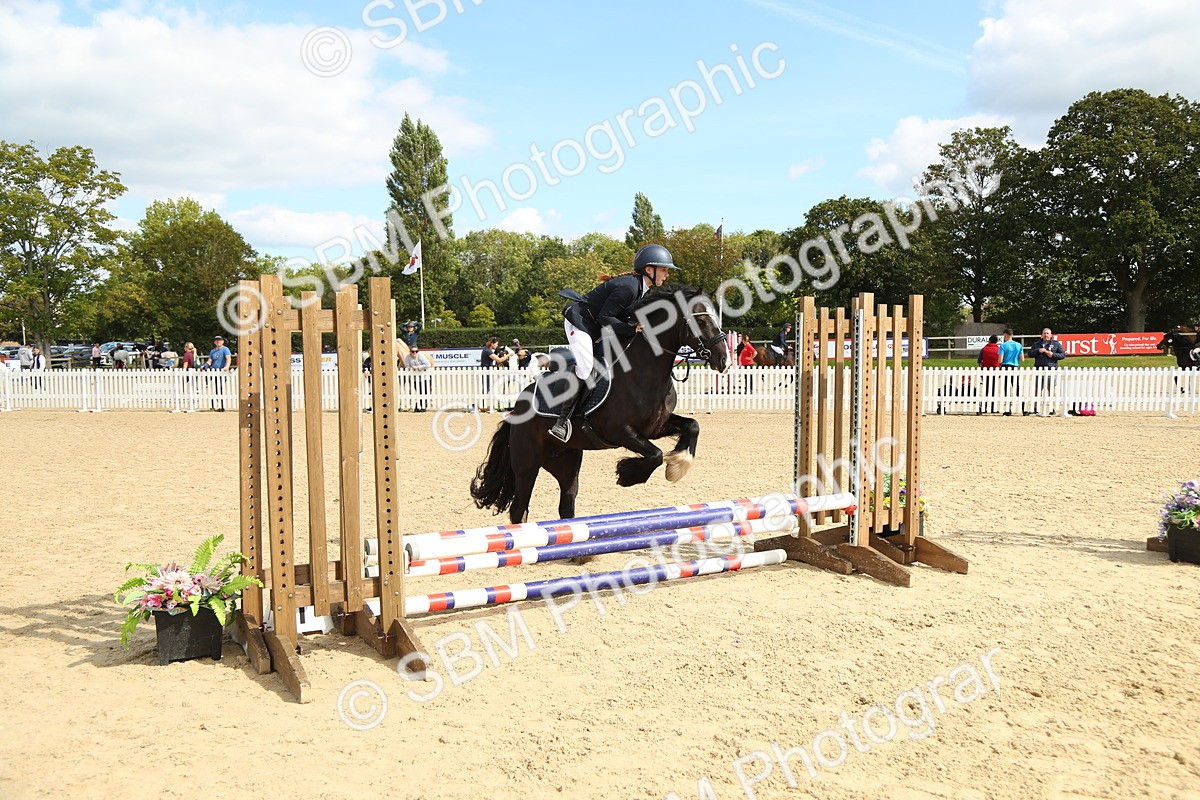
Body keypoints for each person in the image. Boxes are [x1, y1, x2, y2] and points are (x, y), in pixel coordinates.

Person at [553, 243, 679, 441]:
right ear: (649, 269)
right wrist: (632, 329)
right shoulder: (628, 287)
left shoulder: (642, 289)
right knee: (586, 369)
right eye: (664, 269)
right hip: (580, 323)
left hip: (598, 326)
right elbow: (605, 317)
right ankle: (562, 421)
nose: (667, 274)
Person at [1027, 327, 1065, 416]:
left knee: (1051, 389)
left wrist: (1053, 355)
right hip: (1038, 369)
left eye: (1047, 333)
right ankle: (1036, 408)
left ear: (1051, 335)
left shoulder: (1056, 344)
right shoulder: (1036, 344)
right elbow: (1030, 354)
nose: (1046, 335)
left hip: (1051, 369)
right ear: (1042, 335)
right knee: (1037, 389)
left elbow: (1063, 355)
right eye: (1044, 333)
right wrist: (1038, 351)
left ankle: (1052, 408)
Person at [478, 336, 510, 413]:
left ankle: (483, 405)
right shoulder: (487, 351)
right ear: (492, 343)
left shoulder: (487, 350)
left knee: (487, 387)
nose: (497, 345)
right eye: (496, 344)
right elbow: (499, 360)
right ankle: (482, 406)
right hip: (485, 370)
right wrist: (508, 355)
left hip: (487, 370)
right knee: (486, 388)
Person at [997, 328, 1023, 415]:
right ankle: (1023, 408)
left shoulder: (1003, 346)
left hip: (1006, 366)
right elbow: (1022, 359)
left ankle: (1008, 409)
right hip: (1015, 366)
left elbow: (1000, 360)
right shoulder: (1019, 345)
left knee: (1007, 387)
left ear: (1005, 335)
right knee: (1017, 387)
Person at [976, 335, 1001, 415]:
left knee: (986, 389)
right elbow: (1001, 360)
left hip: (985, 371)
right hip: (995, 371)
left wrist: (981, 369)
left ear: (989, 340)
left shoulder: (984, 349)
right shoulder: (999, 349)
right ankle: (993, 408)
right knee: (993, 389)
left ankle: (984, 407)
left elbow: (979, 360)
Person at [206, 335, 232, 411]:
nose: (218, 342)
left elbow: (228, 358)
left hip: (222, 372)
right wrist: (205, 365)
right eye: (217, 340)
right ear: (214, 342)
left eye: (220, 340)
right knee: (214, 388)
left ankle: (221, 406)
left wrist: (227, 366)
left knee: (219, 388)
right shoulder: (212, 351)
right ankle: (213, 405)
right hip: (214, 372)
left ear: (222, 342)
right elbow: (210, 361)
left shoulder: (225, 349)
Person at [405, 344, 433, 412]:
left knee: (425, 392)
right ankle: (419, 406)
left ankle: (422, 406)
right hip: (415, 378)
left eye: (416, 351)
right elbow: (407, 366)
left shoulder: (420, 356)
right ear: (410, 352)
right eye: (413, 351)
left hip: (425, 377)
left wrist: (418, 367)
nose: (415, 353)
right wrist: (412, 368)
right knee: (419, 392)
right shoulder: (407, 357)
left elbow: (428, 364)